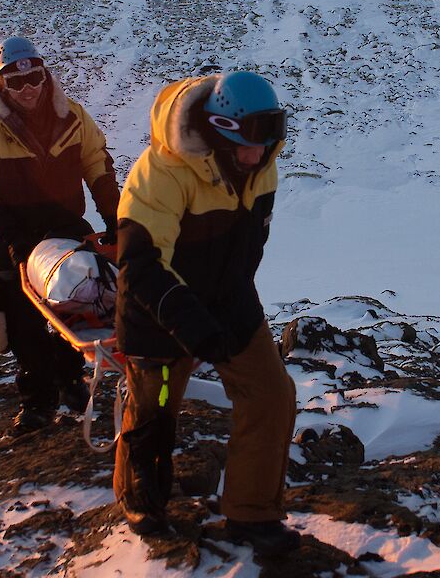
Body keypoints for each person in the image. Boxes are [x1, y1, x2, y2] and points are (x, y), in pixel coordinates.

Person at [113, 70, 299, 552]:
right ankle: (142, 504)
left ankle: (251, 515)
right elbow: (141, 265)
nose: (260, 154)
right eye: (251, 141)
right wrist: (192, 326)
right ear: (219, 127)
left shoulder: (261, 165)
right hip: (157, 311)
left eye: (268, 139)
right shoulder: (162, 172)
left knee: (271, 394)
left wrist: (230, 309)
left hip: (229, 299)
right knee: (155, 411)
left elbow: (248, 247)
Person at [0, 36, 121, 434]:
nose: (28, 89)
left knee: (77, 308)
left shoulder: (73, 119)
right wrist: (10, 235)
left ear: (46, 78)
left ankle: (69, 380)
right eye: (16, 83)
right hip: (10, 238)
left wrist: (116, 219)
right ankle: (37, 400)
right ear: (0, 85)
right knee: (22, 323)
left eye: (34, 79)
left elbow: (97, 165)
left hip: (66, 232)